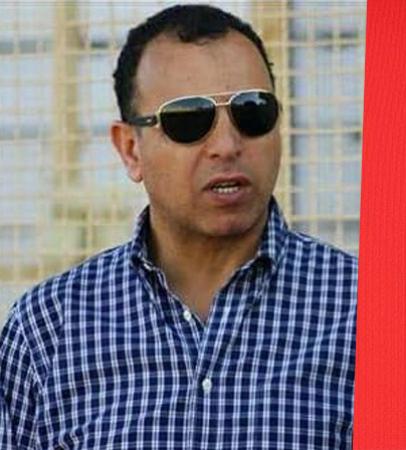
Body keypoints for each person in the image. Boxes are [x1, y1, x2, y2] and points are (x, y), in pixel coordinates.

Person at [0, 4, 357, 449]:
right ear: (130, 149)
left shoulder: (363, 314)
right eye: (189, 120)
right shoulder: (48, 331)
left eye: (252, 111)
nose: (226, 145)